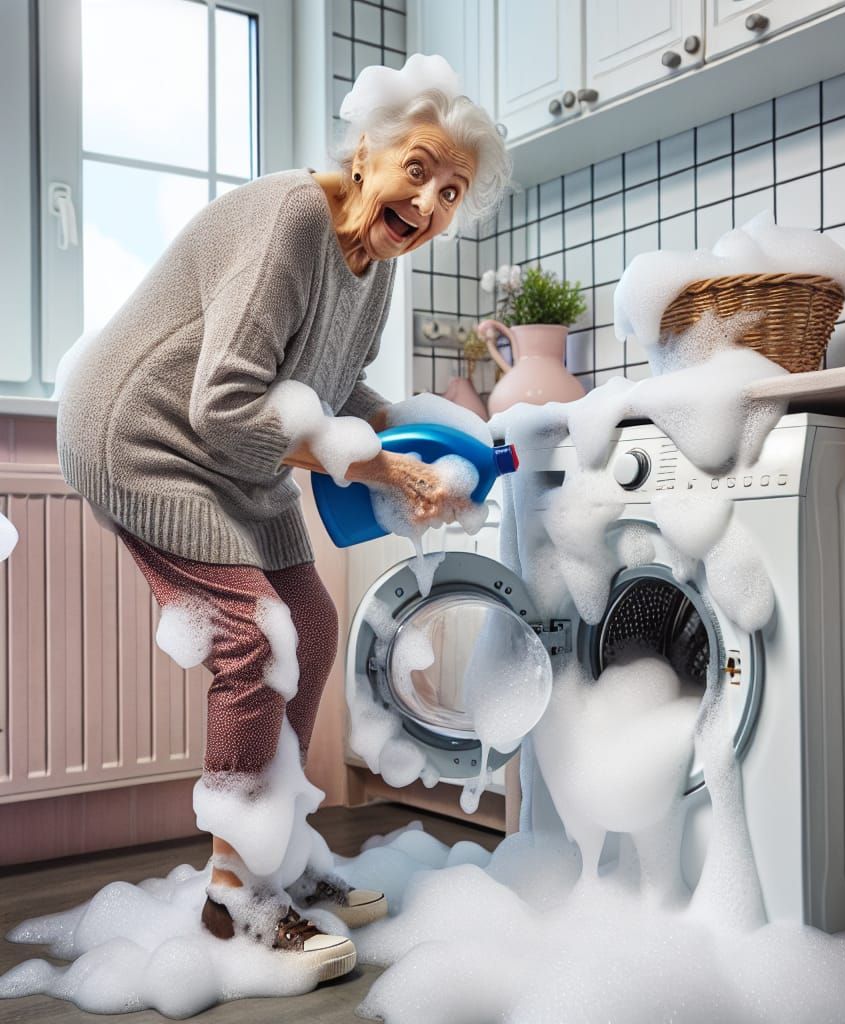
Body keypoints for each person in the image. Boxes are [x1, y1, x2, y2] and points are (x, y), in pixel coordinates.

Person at [56, 55, 512, 980]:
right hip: (145, 433)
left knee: (309, 620)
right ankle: (235, 902)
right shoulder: (293, 219)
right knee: (253, 640)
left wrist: (429, 453)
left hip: (227, 450)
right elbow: (223, 403)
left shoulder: (372, 267)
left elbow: (336, 393)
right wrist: (377, 458)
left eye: (451, 192)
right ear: (367, 149)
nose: (427, 202)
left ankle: (284, 858)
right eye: (417, 169)